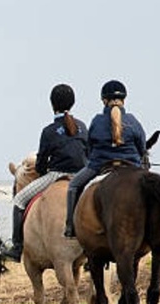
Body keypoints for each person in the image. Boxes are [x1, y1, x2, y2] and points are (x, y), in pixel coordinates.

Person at [0, 84, 89, 262]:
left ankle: (17, 247)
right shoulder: (82, 127)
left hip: (56, 175)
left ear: (52, 104)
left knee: (18, 201)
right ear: (73, 103)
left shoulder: (49, 131)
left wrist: (43, 169)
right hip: (81, 176)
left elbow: (40, 165)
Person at [63, 80, 147, 238]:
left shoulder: (97, 120)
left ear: (104, 100)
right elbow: (142, 148)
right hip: (131, 167)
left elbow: (90, 148)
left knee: (73, 186)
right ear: (124, 99)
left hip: (100, 165)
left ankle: (70, 228)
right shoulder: (133, 121)